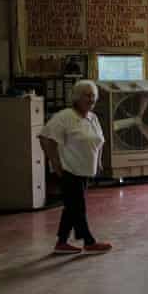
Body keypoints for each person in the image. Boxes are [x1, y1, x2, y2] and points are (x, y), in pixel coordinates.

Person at [39, 80, 111, 255]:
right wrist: (55, 163)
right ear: (77, 98)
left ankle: (61, 242)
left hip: (85, 170)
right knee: (78, 207)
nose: (91, 98)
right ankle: (89, 241)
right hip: (70, 169)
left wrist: (99, 161)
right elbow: (45, 138)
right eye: (87, 95)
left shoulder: (92, 118)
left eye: (93, 95)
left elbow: (99, 141)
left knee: (71, 207)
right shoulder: (65, 116)